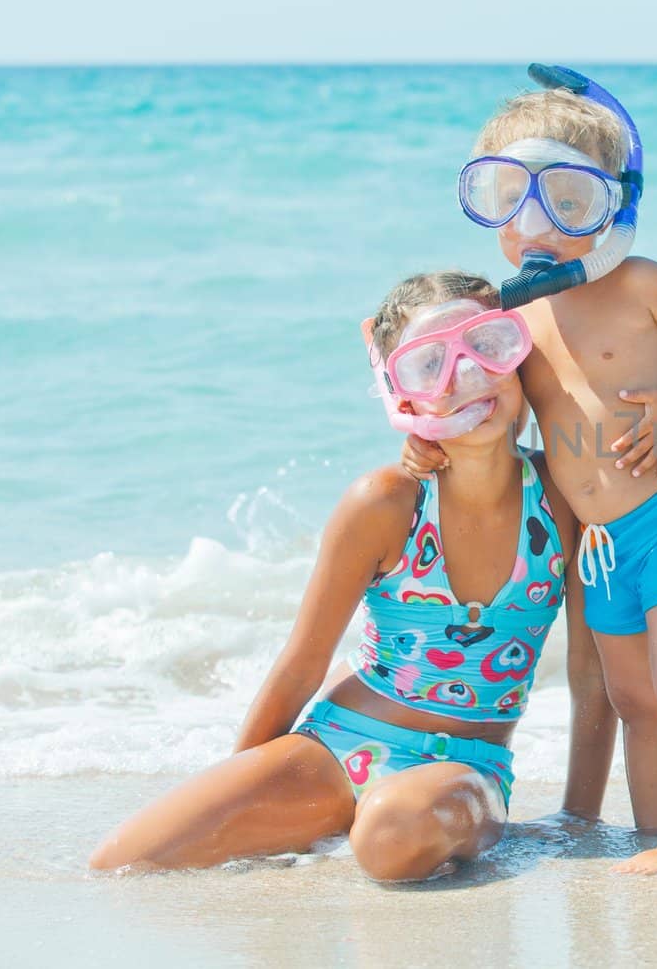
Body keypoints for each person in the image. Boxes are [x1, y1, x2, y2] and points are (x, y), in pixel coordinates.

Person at [90, 272, 616, 879]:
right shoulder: (385, 502)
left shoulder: (561, 497)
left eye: (487, 345)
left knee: (392, 836)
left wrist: (581, 817)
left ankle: (374, 825)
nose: (467, 374)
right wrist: (241, 786)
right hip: (337, 743)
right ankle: (335, 822)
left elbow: (590, 670)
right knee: (122, 866)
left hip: (463, 772)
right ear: (401, 393)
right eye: (430, 365)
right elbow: (301, 664)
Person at [404, 72, 657, 873]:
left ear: (611, 208)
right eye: (509, 198)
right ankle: (654, 835)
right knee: (631, 698)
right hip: (600, 541)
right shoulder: (511, 317)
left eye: (568, 200)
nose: (539, 226)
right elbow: (495, 416)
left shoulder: (641, 284)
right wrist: (426, 443)